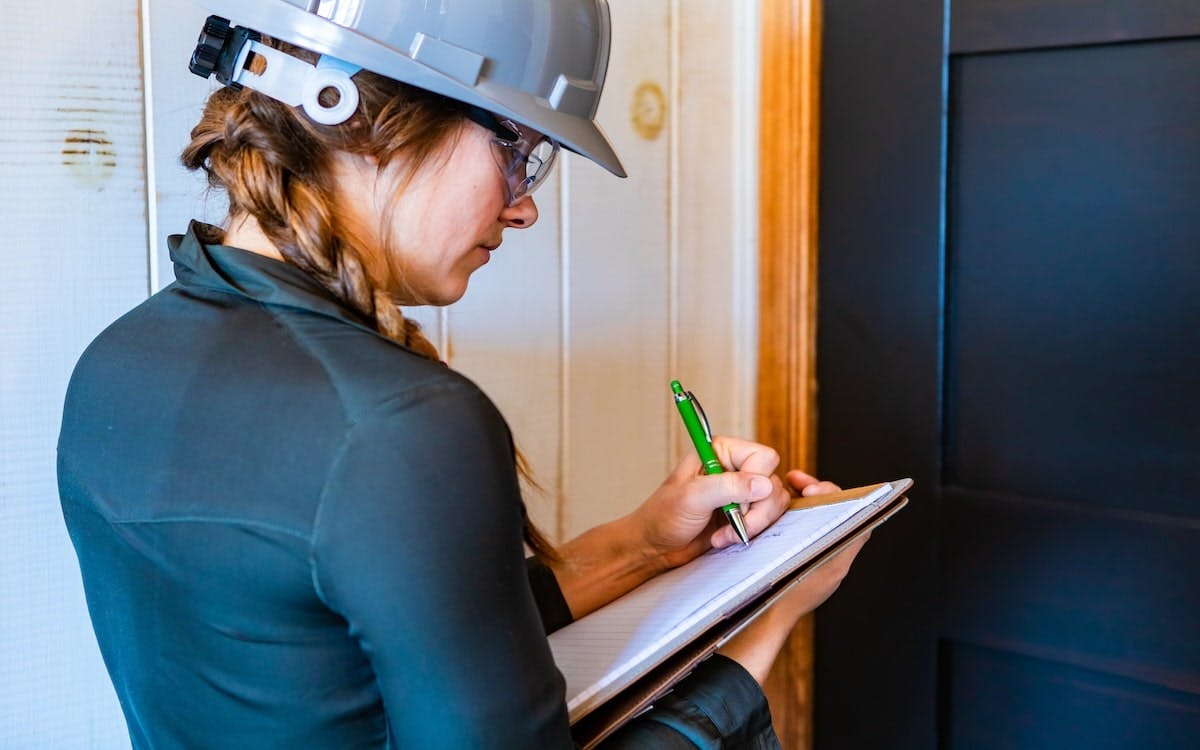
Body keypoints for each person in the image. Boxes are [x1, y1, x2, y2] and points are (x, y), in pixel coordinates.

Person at [57, 1, 868, 747]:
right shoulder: (399, 422)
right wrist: (771, 617)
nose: (524, 206)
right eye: (519, 150)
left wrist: (648, 545)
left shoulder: (116, 363)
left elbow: (375, 643)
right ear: (365, 117)